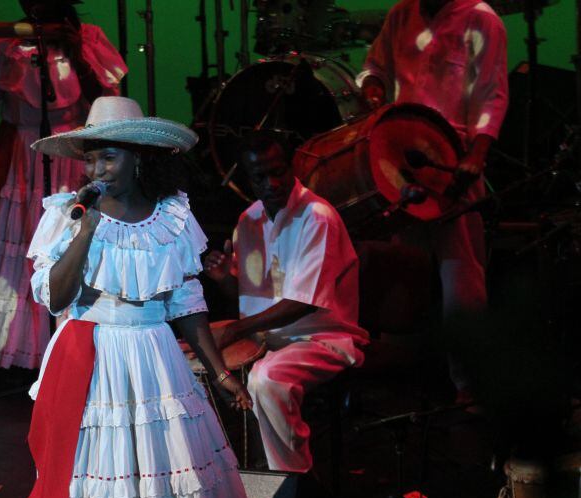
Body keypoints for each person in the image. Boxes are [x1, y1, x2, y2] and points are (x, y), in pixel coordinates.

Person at [13, 96, 281, 498]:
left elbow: (185, 303)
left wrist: (223, 373)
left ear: (140, 158)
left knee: (164, 480)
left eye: (108, 158)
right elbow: (53, 297)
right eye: (90, 159)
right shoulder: (66, 215)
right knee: (98, 479)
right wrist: (86, 229)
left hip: (155, 355)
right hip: (92, 358)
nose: (96, 170)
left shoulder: (173, 217)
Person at [0, 0, 127, 370]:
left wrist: (75, 52)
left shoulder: (87, 40)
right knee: (21, 257)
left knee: (73, 250)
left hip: (74, 156)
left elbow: (109, 106)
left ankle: (75, 348)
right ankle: (22, 353)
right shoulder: (5, 44)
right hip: (22, 163)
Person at [358, 0, 509, 403]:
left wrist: (477, 154)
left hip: (450, 158)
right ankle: (404, 373)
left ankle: (470, 384)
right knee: (403, 264)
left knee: (460, 273)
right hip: (400, 155)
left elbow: (492, 94)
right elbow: (372, 66)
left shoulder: (481, 19)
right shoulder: (400, 15)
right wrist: (372, 85)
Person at [202, 131, 368, 473]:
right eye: (260, 176)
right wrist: (225, 281)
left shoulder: (317, 217)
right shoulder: (248, 221)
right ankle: (233, 478)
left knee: (267, 379)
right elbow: (247, 296)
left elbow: (302, 303)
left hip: (321, 338)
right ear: (248, 178)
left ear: (291, 166)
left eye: (278, 171)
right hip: (266, 339)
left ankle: (291, 485)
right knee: (196, 365)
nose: (272, 182)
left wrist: (234, 330)